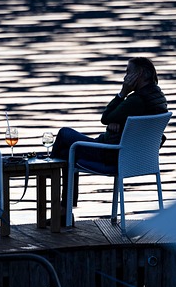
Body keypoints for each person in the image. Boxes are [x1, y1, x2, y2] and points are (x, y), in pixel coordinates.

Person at [50, 57, 168, 225]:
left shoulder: (136, 100)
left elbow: (105, 117)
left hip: (111, 154)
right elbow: (124, 121)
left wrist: (122, 93)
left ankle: (61, 206)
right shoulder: (158, 98)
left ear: (140, 74)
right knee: (65, 153)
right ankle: (63, 211)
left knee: (64, 135)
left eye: (128, 72)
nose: (125, 78)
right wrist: (120, 123)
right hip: (132, 156)